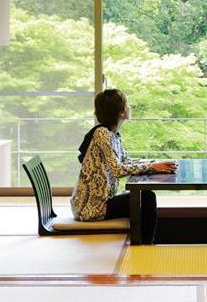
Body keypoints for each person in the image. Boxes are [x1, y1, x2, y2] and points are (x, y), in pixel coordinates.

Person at [70, 88, 177, 244]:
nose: (129, 107)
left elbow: (125, 161)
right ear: (121, 113)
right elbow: (118, 170)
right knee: (147, 198)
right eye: (126, 104)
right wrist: (152, 167)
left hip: (98, 202)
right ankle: (145, 246)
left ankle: (144, 243)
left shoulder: (113, 134)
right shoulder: (102, 133)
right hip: (91, 207)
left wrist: (153, 163)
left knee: (144, 197)